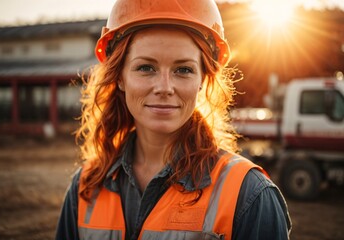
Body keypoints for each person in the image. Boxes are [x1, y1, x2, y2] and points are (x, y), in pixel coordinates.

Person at [55, 0, 291, 239]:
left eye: (183, 70)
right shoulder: (84, 188)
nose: (164, 88)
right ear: (120, 78)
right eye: (146, 67)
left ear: (202, 81)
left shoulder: (249, 194)